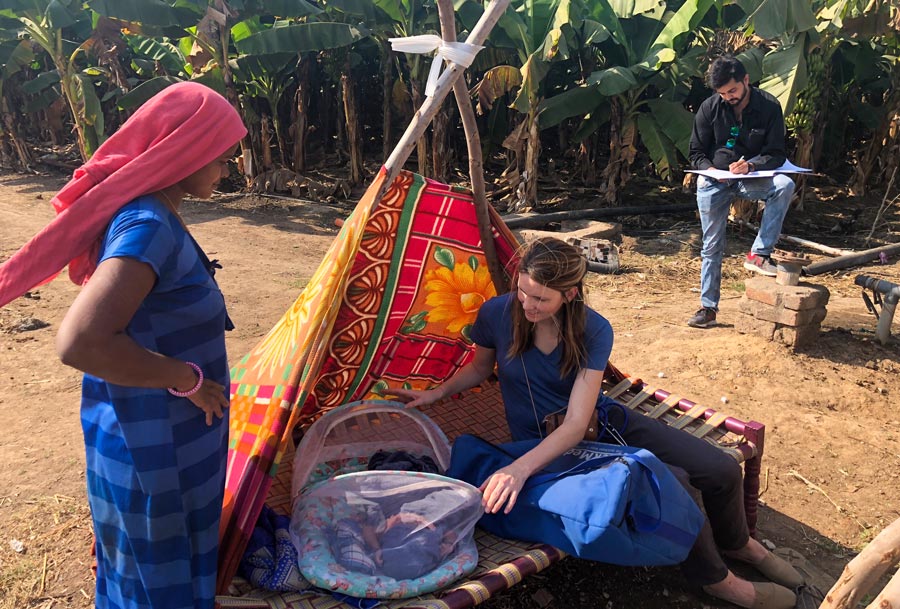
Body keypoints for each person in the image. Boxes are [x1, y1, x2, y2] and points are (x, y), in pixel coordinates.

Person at [390, 237, 802, 609]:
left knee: (721, 468)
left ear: (569, 294)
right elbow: (479, 369)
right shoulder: (498, 313)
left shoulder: (593, 329)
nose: (528, 305)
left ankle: (739, 543)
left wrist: (516, 472)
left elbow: (577, 421)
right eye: (524, 291)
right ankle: (720, 581)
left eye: (542, 300)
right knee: (673, 484)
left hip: (591, 424)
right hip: (541, 444)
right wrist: (438, 393)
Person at [0, 82, 247, 608]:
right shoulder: (148, 226)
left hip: (163, 436)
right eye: (222, 158)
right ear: (187, 152)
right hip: (152, 442)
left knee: (156, 570)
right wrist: (189, 381)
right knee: (153, 582)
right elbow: (81, 343)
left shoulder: (155, 214)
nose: (227, 172)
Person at [688, 55, 795, 329]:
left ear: (746, 80)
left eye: (732, 91)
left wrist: (751, 165)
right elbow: (696, 153)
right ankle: (707, 309)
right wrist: (710, 170)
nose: (728, 98)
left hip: (750, 178)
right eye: (722, 93)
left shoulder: (769, 106)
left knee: (785, 185)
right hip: (714, 181)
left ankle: (759, 254)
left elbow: (776, 153)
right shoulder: (709, 108)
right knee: (712, 246)